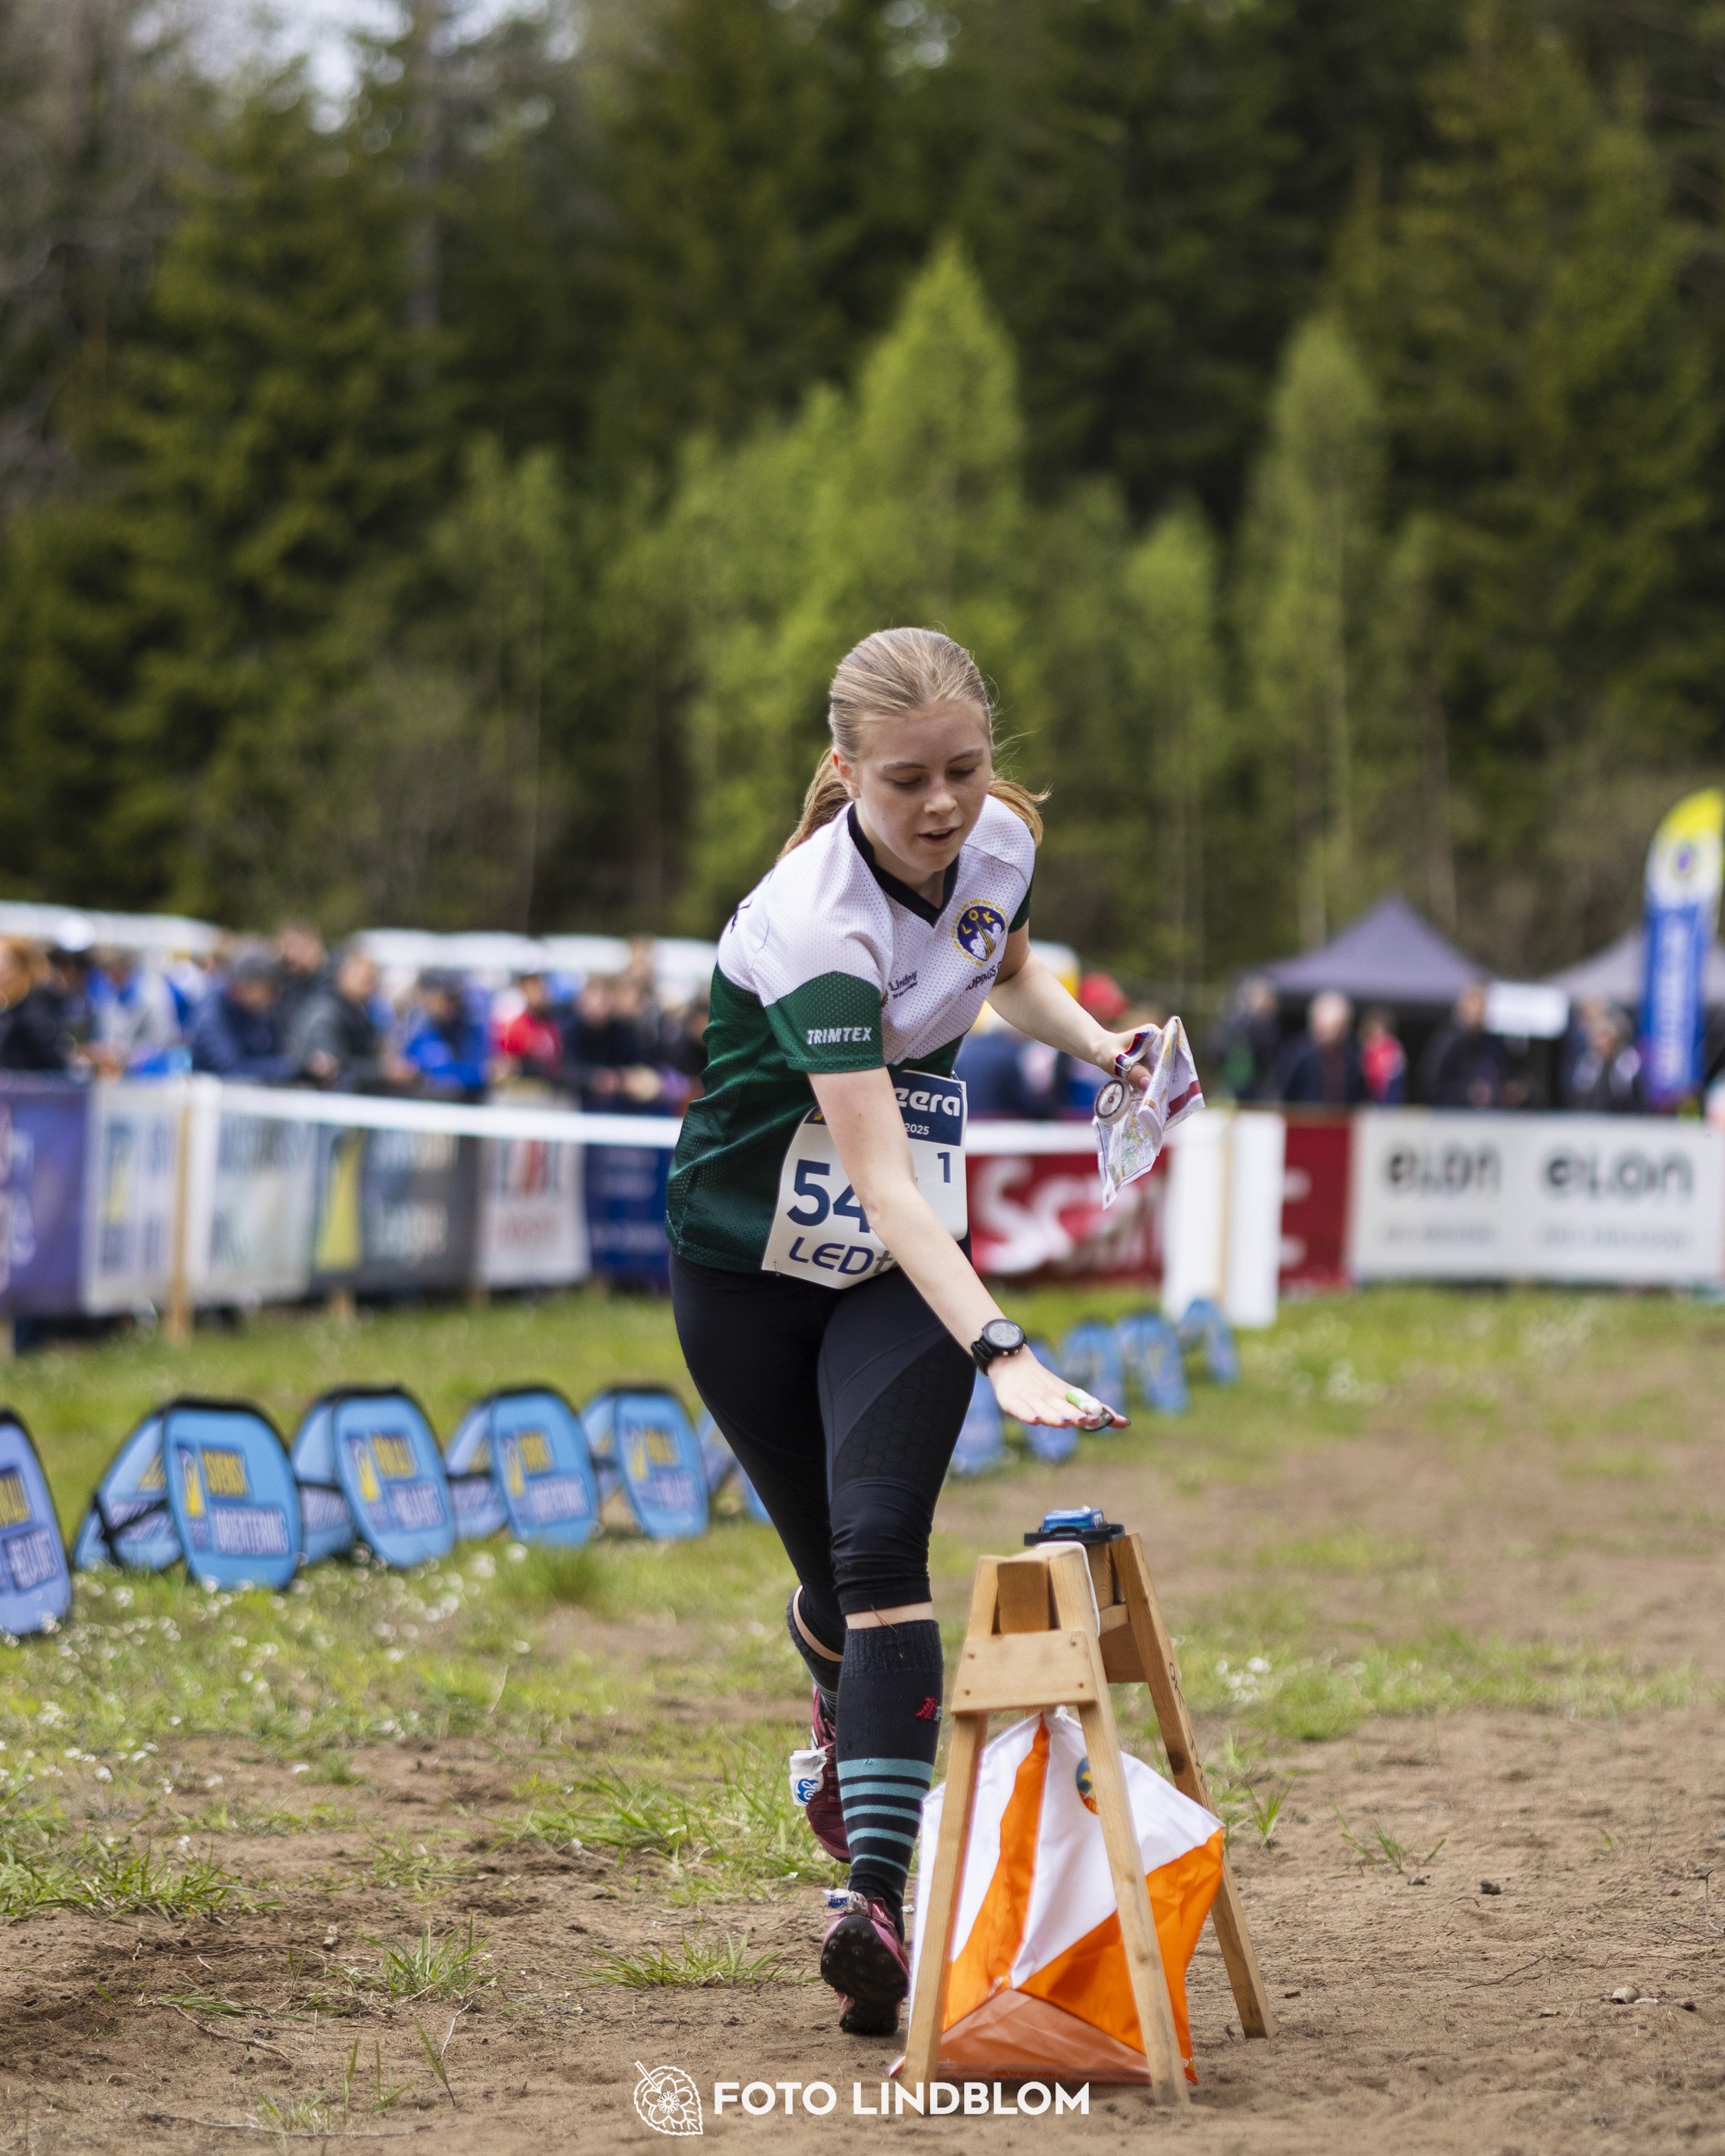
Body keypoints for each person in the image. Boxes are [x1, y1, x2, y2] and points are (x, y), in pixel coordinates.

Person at [665, 627, 1154, 2041]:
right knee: (833, 1579)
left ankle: (871, 1907)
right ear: (843, 769)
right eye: (905, 782)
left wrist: (1097, 1044)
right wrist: (1007, 1348)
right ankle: (837, 1688)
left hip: (900, 1271)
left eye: (964, 768)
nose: (943, 805)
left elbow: (1002, 968)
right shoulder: (814, 925)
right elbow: (878, 1176)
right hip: (746, 1269)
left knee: (882, 1548)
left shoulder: (999, 840)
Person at [292, 948, 404, 1092]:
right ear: (343, 975)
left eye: (373, 980)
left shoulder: (358, 1012)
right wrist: (383, 1072)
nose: (370, 987)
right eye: (365, 980)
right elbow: (333, 1067)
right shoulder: (327, 1012)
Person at [190, 946, 297, 1082]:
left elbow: (277, 1052)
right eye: (269, 989)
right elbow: (231, 1069)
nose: (274, 996)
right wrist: (291, 1068)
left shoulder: (260, 1012)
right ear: (246, 986)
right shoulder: (213, 1013)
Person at [88, 947, 184, 1076]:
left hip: (153, 1074)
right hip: (121, 1073)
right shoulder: (112, 993)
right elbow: (109, 1035)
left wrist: (125, 1056)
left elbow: (163, 1039)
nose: (107, 975)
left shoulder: (154, 992)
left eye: (111, 968)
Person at [399, 969, 490, 1099]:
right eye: (437, 999)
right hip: (429, 1102)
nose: (444, 1005)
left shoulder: (472, 1031)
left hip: (467, 1100)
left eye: (450, 999)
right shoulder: (419, 1031)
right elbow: (408, 1067)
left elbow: (484, 1070)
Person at [1420, 982, 1506, 1108]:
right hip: (1453, 1115)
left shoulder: (1491, 1042)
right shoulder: (1449, 1039)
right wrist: (1467, 1094)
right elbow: (1431, 1084)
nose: (1481, 1013)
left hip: (1489, 1114)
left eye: (1484, 1007)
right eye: (1478, 1007)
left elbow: (1503, 1073)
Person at [1276, 990, 1365, 1106]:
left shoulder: (1352, 1058)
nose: (1333, 1035)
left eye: (1338, 1029)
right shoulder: (1298, 1055)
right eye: (1328, 1029)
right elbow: (1285, 1095)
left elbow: (1358, 1096)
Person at [0, 938, 73, 1073]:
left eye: (4, 961)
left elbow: (52, 1060)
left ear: (19, 967)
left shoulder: (33, 1011)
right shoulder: (9, 1008)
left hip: (29, 1083)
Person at [1213, 975, 1281, 1102]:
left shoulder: (1232, 1021)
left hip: (1231, 1084)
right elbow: (1270, 1055)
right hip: (1255, 1087)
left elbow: (1216, 1050)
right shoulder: (1262, 1024)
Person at [1359, 1007, 1408, 1105]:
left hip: (1388, 1105)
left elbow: (1395, 1086)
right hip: (1365, 1104)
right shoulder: (1363, 1050)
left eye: (1380, 1030)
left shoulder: (1393, 1051)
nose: (1377, 1035)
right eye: (1372, 1031)